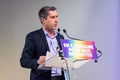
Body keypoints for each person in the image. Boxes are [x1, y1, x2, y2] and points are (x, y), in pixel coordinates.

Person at [20, 6, 65, 80]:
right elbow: (24, 61)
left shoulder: (60, 37)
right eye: (52, 17)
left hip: (60, 78)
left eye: (57, 16)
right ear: (43, 20)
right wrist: (38, 61)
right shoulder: (33, 36)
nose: (56, 20)